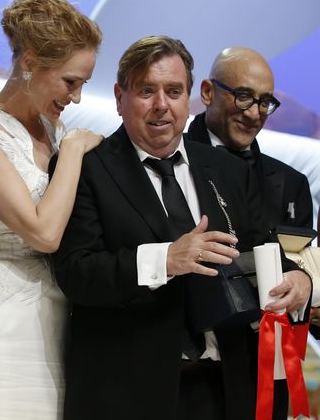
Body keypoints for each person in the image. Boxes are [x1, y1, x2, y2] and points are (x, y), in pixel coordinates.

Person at [52, 35, 311, 420]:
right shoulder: (87, 168)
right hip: (128, 395)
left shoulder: (227, 169)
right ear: (119, 97)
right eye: (146, 91)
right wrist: (166, 259)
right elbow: (76, 272)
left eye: (174, 91)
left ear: (190, 98)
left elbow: (264, 247)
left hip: (226, 390)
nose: (162, 105)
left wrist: (300, 280)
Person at [0, 0, 102, 419]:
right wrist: (77, 150)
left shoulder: (58, 132)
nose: (78, 97)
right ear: (29, 63)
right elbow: (43, 232)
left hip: (60, 331)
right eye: (70, 82)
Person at [187, 47, 313, 232]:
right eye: (243, 96)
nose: (254, 114)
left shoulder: (293, 185)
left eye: (265, 102)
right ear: (207, 92)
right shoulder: (168, 165)